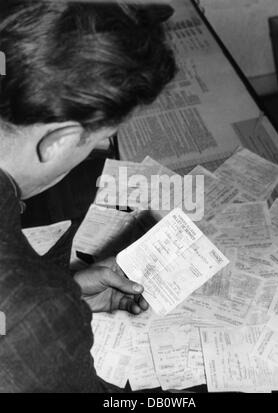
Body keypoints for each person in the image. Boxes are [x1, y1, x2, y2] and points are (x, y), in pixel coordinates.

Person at [0, 0, 176, 392]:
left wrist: (66, 288)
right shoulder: (31, 315)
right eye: (99, 141)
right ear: (59, 142)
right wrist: (52, 306)